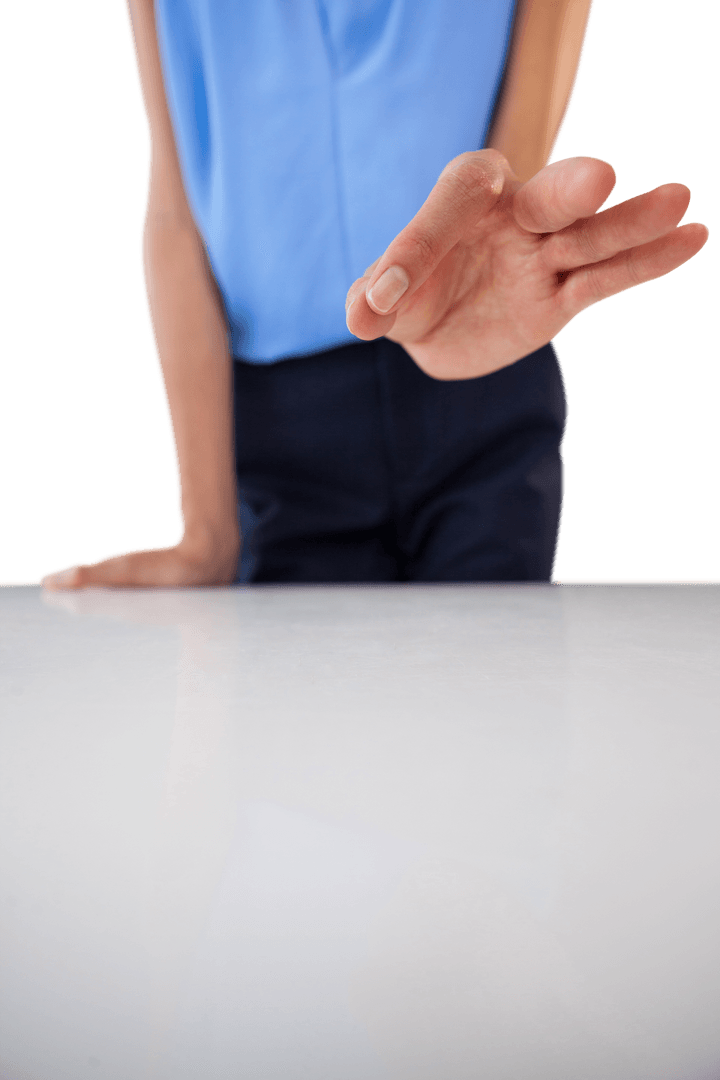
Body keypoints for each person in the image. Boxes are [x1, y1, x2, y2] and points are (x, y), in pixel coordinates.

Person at [38, 0, 709, 590]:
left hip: (481, 366)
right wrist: (208, 531)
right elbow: (177, 206)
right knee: (295, 725)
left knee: (504, 713)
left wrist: (489, 241)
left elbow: (502, 190)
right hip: (276, 424)